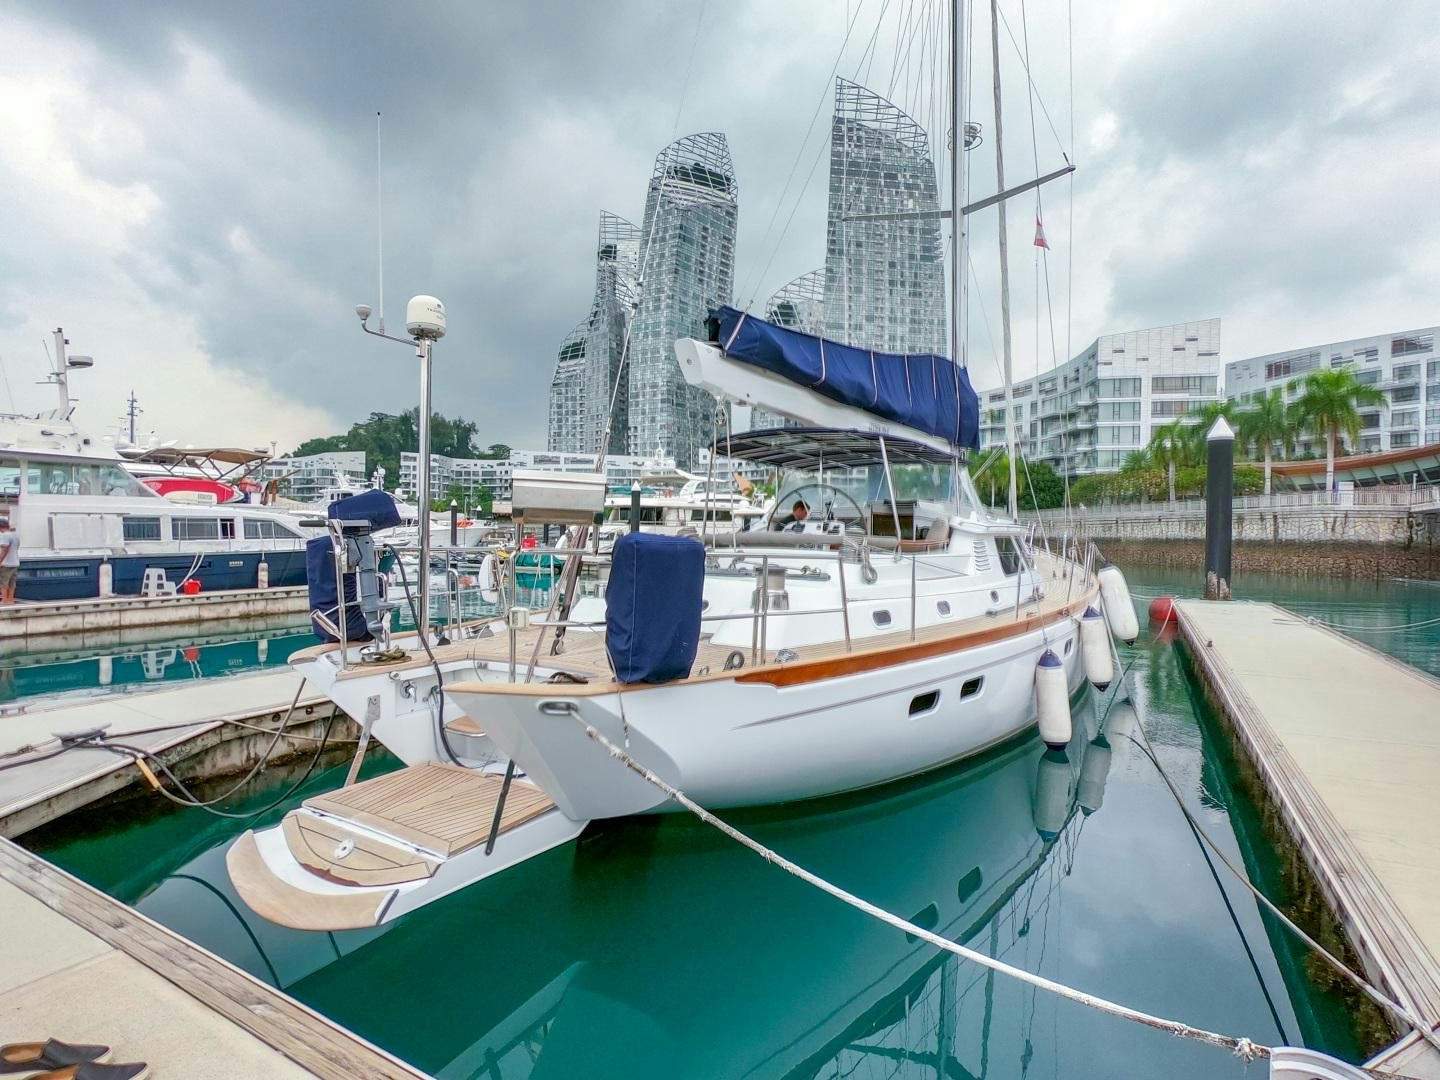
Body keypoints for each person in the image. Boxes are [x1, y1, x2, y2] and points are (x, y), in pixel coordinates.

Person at [0, 518, 18, 603]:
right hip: (15, 562)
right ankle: (11, 600)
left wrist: (0, 561)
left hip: (6, 563)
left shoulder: (5, 535)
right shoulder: (15, 535)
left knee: (3, 582)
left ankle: (4, 600)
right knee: (12, 583)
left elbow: (5, 549)